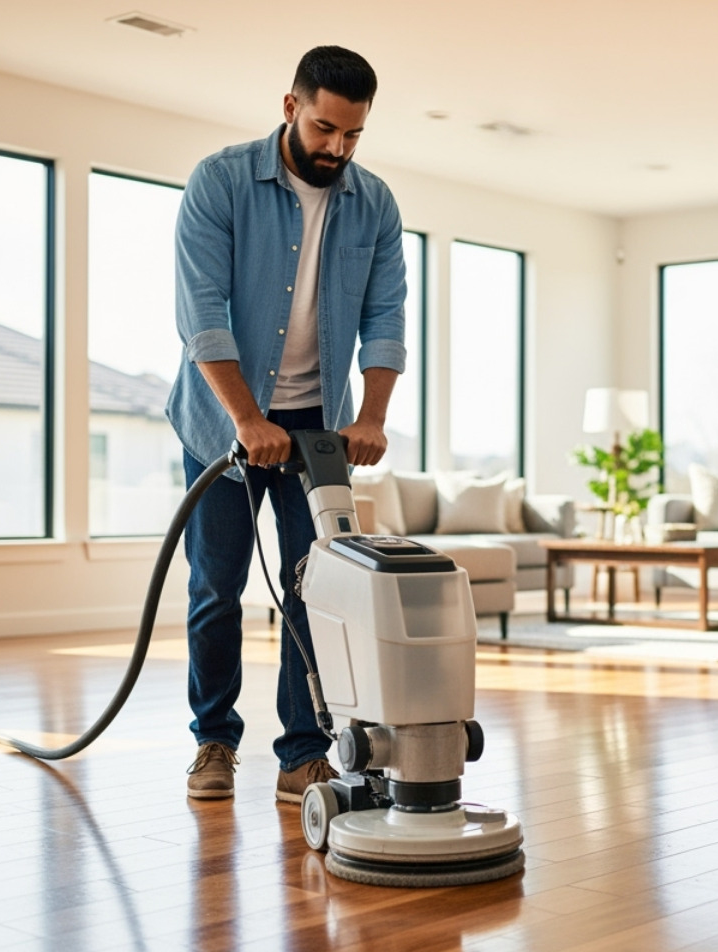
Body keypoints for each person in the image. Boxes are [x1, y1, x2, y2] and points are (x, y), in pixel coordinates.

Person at [168, 45, 406, 801]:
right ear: (290, 107)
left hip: (317, 431)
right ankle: (213, 742)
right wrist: (245, 417)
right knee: (217, 589)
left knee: (316, 591)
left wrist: (369, 417)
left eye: (353, 135)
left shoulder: (374, 203)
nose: (337, 148)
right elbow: (202, 313)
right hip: (223, 419)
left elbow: (386, 315)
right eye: (325, 128)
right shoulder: (222, 181)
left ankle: (303, 752)